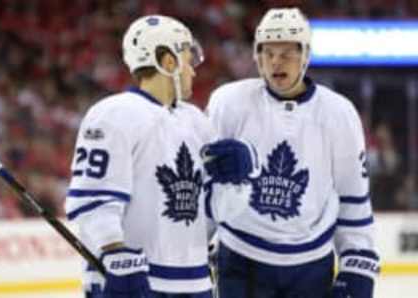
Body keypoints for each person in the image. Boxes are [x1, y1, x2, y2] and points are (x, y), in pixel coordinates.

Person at [65, 15, 253, 298]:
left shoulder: (198, 122)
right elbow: (93, 200)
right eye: (188, 61)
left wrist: (238, 180)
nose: (193, 70)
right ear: (168, 62)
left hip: (194, 283)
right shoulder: (113, 114)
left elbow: (220, 211)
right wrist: (116, 255)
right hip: (134, 282)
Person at [205, 7, 380, 298]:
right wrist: (191, 253)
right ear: (256, 55)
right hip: (240, 259)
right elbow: (203, 188)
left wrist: (358, 265)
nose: (276, 61)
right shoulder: (229, 103)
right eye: (268, 52)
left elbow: (353, 198)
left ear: (306, 55)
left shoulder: (339, 113)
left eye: (287, 53)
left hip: (311, 267)